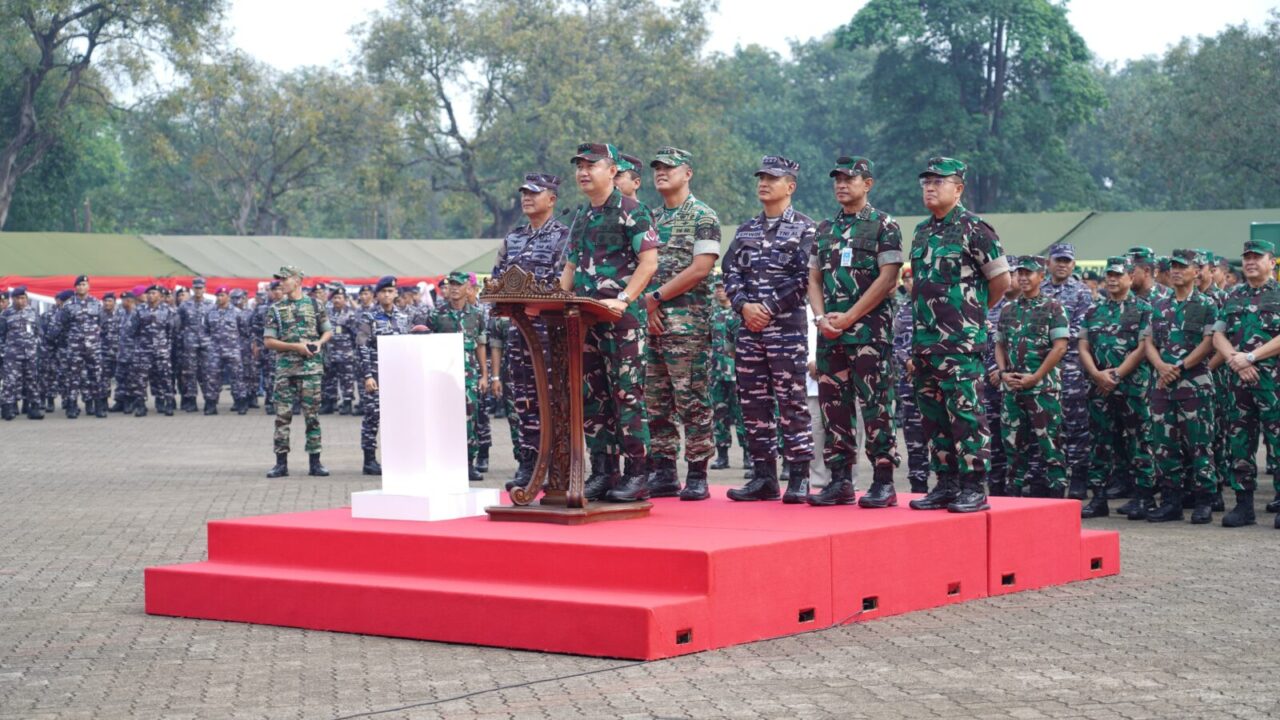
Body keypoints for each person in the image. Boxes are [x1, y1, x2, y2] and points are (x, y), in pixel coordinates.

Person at [907, 157, 1010, 513]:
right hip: (925, 344)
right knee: (933, 417)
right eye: (926, 182)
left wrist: (972, 316)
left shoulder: (975, 229)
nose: (930, 187)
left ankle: (973, 486)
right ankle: (946, 483)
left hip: (960, 344)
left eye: (939, 181)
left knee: (965, 415)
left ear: (959, 188)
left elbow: (1001, 281)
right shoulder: (922, 231)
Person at [560, 142, 659, 502]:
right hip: (585, 323)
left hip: (622, 321)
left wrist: (624, 298)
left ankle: (637, 473)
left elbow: (649, 263)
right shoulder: (582, 216)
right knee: (593, 398)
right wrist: (558, 303)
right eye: (579, 166)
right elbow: (571, 266)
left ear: (613, 170)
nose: (583, 172)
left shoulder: (633, 210)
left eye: (591, 165)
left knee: (626, 396)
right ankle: (603, 471)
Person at [806, 155, 902, 507]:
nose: (842, 184)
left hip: (869, 335)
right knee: (835, 408)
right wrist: (821, 320)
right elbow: (813, 278)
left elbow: (888, 277)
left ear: (868, 183)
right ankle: (840, 480)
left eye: (850, 178)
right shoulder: (824, 229)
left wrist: (848, 317)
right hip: (830, 334)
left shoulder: (883, 225)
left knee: (876, 406)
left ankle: (883, 480)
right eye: (837, 179)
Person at [722, 155, 817, 503]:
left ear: (790, 186)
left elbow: (806, 278)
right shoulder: (746, 229)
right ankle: (763, 477)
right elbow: (730, 271)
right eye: (761, 177)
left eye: (772, 178)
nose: (764, 183)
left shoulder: (806, 229)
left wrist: (769, 308)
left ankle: (799, 476)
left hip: (786, 333)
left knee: (791, 402)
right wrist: (744, 306)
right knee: (753, 404)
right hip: (749, 330)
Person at [642, 146, 720, 501]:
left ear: (687, 173)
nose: (661, 173)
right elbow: (641, 267)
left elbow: (701, 268)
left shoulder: (703, 216)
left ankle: (698, 472)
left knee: (692, 399)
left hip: (688, 326)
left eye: (669, 168)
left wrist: (656, 298)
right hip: (654, 321)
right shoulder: (650, 218)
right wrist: (649, 307)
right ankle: (664, 470)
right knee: (655, 400)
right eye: (657, 168)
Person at [491, 172, 573, 490]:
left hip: (550, 333)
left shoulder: (564, 237)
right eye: (524, 192)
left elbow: (561, 282)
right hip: (519, 333)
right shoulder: (513, 239)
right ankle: (528, 462)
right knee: (523, 401)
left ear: (551, 199)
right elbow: (497, 277)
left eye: (534, 193)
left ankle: (556, 464)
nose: (526, 197)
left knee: (550, 399)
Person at [1143, 248, 1218, 523]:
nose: (1175, 271)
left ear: (1196, 271)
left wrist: (1181, 366)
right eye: (1173, 266)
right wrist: (1161, 366)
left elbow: (1209, 341)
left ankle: (1204, 501)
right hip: (1163, 385)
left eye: (1182, 267)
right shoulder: (1159, 305)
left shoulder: (1207, 304)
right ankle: (1171, 501)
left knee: (1199, 444)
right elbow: (1148, 342)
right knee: (1164, 445)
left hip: (1194, 385)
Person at [1078, 255, 1154, 518]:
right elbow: (1083, 347)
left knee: (1139, 442)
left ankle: (1143, 498)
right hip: (1099, 388)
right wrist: (1097, 374)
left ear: (1130, 278)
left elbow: (1143, 348)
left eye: (1117, 275)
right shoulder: (1093, 311)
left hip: (1132, 388)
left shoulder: (1144, 309)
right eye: (1108, 275)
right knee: (1100, 443)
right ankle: (1098, 499)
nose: (1111, 279)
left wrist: (1117, 375)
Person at [1214, 239, 1280, 528]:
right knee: (1240, 442)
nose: (1250, 262)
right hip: (1238, 382)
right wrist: (1235, 360)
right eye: (1247, 257)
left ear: (1272, 261)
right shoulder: (1233, 295)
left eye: (1257, 257)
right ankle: (1243, 506)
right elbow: (1217, 335)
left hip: (1273, 383)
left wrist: (1250, 357)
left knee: (1277, 442)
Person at [994, 256, 1069, 497]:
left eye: (1029, 273)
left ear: (1042, 277)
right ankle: (1013, 498)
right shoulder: (1008, 309)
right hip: (1013, 390)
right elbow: (999, 345)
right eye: (1020, 274)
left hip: (1043, 390)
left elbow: (1059, 347)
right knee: (1013, 449)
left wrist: (1035, 377)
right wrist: (1004, 372)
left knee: (1051, 447)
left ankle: (1057, 499)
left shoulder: (1053, 308)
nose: (1023, 278)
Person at [262, 265, 333, 479]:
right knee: (282, 418)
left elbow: (327, 330)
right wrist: (296, 347)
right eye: (279, 279)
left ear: (297, 280)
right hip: (286, 371)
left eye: (284, 279)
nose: (280, 283)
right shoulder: (275, 309)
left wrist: (320, 343)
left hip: (311, 370)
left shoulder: (315, 305)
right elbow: (269, 341)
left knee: (312, 417)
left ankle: (315, 462)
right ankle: (280, 463)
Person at [1040, 243, 1094, 500]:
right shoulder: (1039, 290)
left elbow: (1081, 330)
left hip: (1071, 366)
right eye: (1058, 260)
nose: (1062, 264)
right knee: (1049, 423)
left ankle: (1079, 477)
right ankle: (1052, 477)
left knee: (1076, 425)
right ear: (1049, 262)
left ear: (1073, 264)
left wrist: (1049, 339)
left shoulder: (1082, 293)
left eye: (1067, 261)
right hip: (1044, 367)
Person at [429, 272, 487, 482]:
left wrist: (484, 375)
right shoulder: (436, 315)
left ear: (467, 288)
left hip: (469, 373)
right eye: (450, 284)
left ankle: (468, 464)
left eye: (457, 284)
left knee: (469, 418)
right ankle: (443, 461)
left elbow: (481, 345)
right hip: (443, 374)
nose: (453, 288)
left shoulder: (477, 314)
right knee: (442, 417)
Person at [356, 276, 408, 475]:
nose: (387, 295)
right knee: (372, 417)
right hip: (376, 377)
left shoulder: (403, 317)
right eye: (384, 292)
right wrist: (368, 375)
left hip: (397, 377)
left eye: (390, 291)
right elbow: (362, 347)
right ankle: (369, 460)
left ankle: (396, 458)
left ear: (396, 294)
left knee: (397, 417)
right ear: (377, 295)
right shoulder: (368, 318)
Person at [709, 277, 748, 472]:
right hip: (716, 374)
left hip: (737, 372)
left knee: (742, 415)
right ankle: (722, 455)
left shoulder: (739, 311)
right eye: (716, 288)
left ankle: (748, 456)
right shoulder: (711, 314)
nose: (720, 291)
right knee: (719, 415)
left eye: (722, 287)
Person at [55, 275, 107, 418]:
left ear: (88, 286)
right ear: (75, 287)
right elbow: (61, 324)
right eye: (79, 285)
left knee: (96, 376)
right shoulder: (68, 305)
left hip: (93, 346)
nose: (81, 287)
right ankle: (71, 406)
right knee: (73, 377)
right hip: (75, 346)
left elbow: (102, 323)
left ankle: (99, 406)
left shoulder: (97, 304)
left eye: (84, 284)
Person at [130, 285, 178, 417]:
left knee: (165, 377)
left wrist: (165, 346)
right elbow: (133, 330)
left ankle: (168, 403)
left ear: (160, 296)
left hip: (161, 349)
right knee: (140, 379)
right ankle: (140, 405)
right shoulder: (139, 310)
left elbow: (172, 331)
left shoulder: (168, 311)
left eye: (153, 293)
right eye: (149, 293)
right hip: (143, 350)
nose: (150, 295)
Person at [0, 287, 44, 420]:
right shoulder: (6, 314)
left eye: (23, 298)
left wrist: (35, 346)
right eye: (18, 298)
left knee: (32, 381)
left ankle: (34, 408)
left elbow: (38, 332)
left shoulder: (33, 312)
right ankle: (7, 408)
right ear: (13, 299)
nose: (21, 301)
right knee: (10, 382)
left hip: (30, 354)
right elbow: (1, 335)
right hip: (12, 356)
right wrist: (3, 352)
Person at [204, 286, 249, 414]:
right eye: (218, 295)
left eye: (223, 295)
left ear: (228, 297)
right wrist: (210, 344)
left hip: (233, 350)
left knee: (237, 377)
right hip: (215, 351)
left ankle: (240, 403)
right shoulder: (210, 312)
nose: (220, 298)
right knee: (212, 378)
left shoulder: (237, 312)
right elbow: (205, 330)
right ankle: (211, 404)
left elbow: (244, 331)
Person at [177, 277, 215, 413]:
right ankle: (191, 400)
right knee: (189, 373)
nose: (198, 290)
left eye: (200, 288)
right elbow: (179, 325)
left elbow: (213, 325)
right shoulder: (184, 305)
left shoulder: (211, 305)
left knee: (207, 373)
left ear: (205, 289)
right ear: (192, 289)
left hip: (206, 343)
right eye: (196, 288)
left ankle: (209, 401)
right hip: (190, 343)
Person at [323, 286, 358, 416]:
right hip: (330, 353)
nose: (337, 300)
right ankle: (330, 403)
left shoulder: (350, 314)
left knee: (346, 380)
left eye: (339, 298)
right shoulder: (327, 313)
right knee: (329, 379)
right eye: (335, 297)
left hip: (345, 354)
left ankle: (347, 403)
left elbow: (355, 335)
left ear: (345, 299)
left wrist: (353, 352)